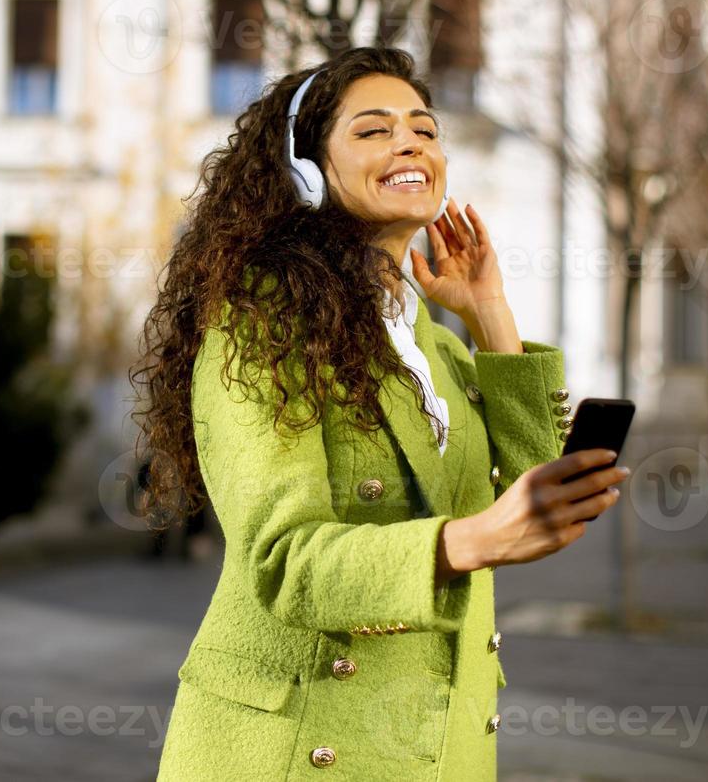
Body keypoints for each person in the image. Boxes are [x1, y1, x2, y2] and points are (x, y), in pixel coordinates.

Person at [129, 46, 628, 781]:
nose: (410, 142)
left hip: (433, 742)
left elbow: (535, 491)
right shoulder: (261, 321)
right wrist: (467, 541)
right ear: (307, 172)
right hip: (301, 746)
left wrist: (490, 311)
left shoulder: (428, 339)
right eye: (373, 130)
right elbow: (284, 560)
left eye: (424, 129)